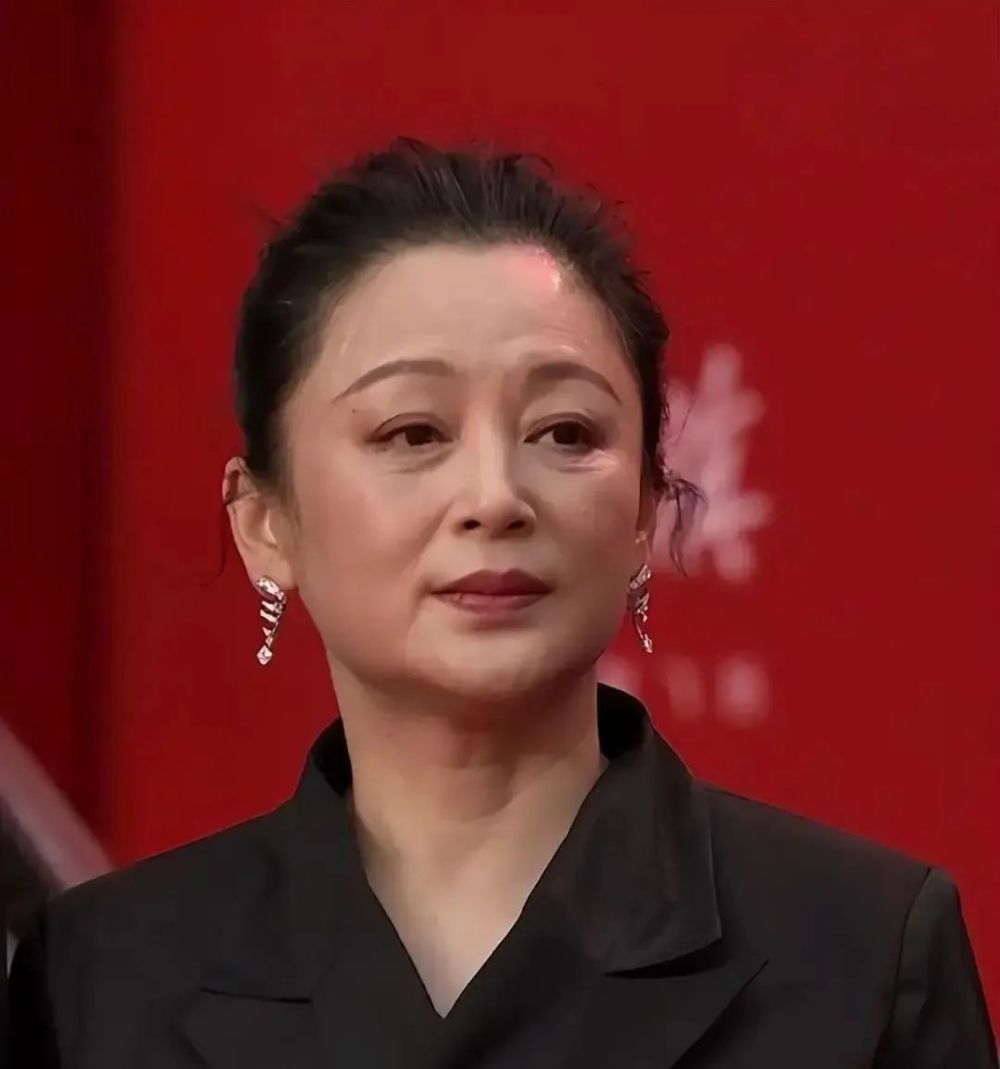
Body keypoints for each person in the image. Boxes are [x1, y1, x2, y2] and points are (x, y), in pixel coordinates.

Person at [5, 138, 996, 1067]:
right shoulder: (100, 976)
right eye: (412, 433)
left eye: (565, 432)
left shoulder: (864, 957)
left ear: (644, 508)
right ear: (265, 521)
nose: (494, 497)